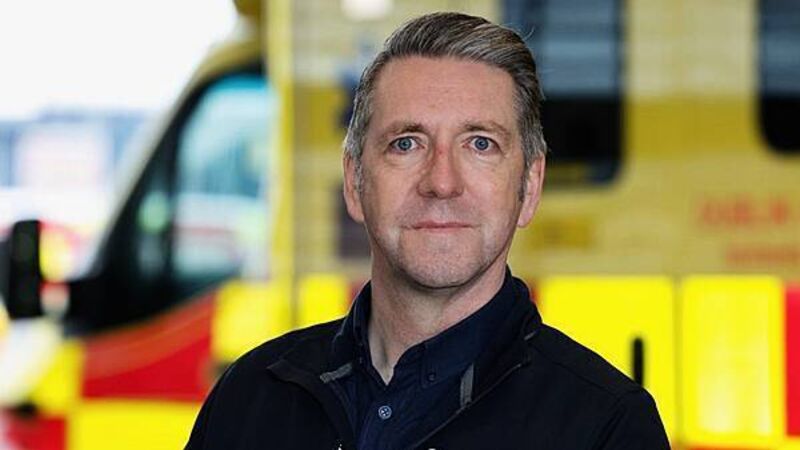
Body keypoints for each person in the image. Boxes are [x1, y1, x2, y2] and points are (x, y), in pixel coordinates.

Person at [185, 12, 670, 450]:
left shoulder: (608, 429)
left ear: (529, 185)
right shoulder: (248, 401)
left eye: (480, 144)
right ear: (355, 182)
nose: (441, 182)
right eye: (406, 143)